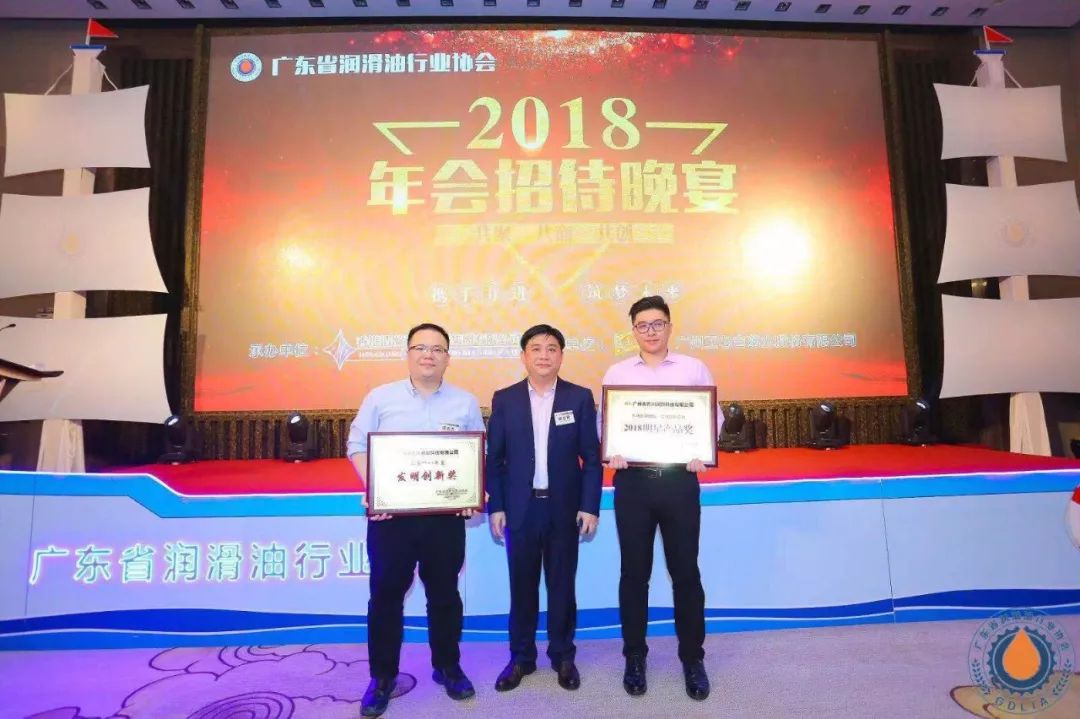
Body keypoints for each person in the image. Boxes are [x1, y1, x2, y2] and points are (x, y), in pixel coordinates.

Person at [346, 323, 485, 718]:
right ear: (408, 354)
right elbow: (356, 445)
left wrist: (471, 493)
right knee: (386, 596)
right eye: (421, 348)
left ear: (447, 357)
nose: (429, 355)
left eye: (437, 349)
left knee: (444, 595)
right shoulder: (380, 397)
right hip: (391, 518)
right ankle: (382, 677)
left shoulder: (464, 402)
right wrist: (376, 489)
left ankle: (448, 666)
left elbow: (477, 452)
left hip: (444, 519)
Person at [601, 296, 713, 701]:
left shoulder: (693, 369)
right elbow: (605, 426)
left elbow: (711, 420)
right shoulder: (617, 373)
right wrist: (611, 450)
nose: (651, 331)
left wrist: (702, 451)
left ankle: (693, 658)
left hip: (679, 482)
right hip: (633, 484)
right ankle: (634, 657)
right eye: (643, 325)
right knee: (634, 575)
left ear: (669, 327)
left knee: (686, 573)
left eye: (658, 323)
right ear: (632, 330)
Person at [486, 324, 603, 693]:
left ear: (561, 356)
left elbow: (592, 459)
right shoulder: (505, 399)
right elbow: (494, 460)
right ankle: (521, 657)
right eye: (535, 348)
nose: (544, 355)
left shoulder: (578, 397)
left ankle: (563, 655)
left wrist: (589, 506)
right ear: (524, 356)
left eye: (552, 348)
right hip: (520, 510)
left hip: (564, 509)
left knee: (562, 586)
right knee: (522, 587)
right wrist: (496, 505)